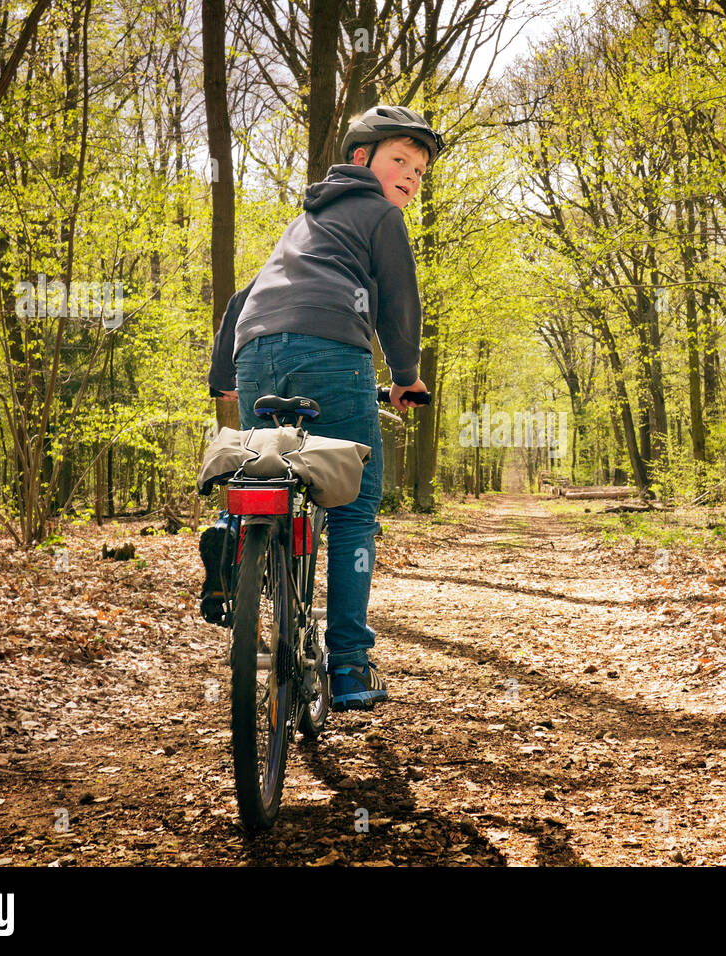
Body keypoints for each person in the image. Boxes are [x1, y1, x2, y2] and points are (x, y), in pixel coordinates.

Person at [207, 105, 442, 711]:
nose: (411, 177)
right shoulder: (380, 216)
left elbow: (243, 296)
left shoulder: (302, 226)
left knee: (269, 473)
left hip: (256, 351)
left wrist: (224, 381)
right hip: (333, 351)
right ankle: (348, 666)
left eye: (419, 170)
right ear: (361, 159)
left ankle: (234, 541)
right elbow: (397, 298)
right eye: (400, 160)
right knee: (354, 509)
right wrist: (405, 377)